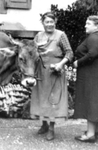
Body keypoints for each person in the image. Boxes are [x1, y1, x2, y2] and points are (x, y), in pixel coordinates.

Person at [30, 12, 73, 141]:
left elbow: (69, 53)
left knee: (53, 99)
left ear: (55, 22)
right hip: (41, 72)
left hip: (55, 72)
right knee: (41, 97)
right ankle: (43, 124)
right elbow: (33, 52)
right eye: (47, 22)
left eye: (51, 22)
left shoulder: (61, 35)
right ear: (43, 23)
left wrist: (60, 64)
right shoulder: (38, 36)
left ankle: (51, 128)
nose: (49, 24)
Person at [73, 15, 98, 143]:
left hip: (91, 75)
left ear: (96, 26)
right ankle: (94, 132)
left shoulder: (93, 37)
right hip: (93, 73)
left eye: (88, 24)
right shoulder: (94, 37)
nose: (85, 26)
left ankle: (90, 134)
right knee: (94, 101)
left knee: (91, 102)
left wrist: (78, 62)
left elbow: (92, 54)